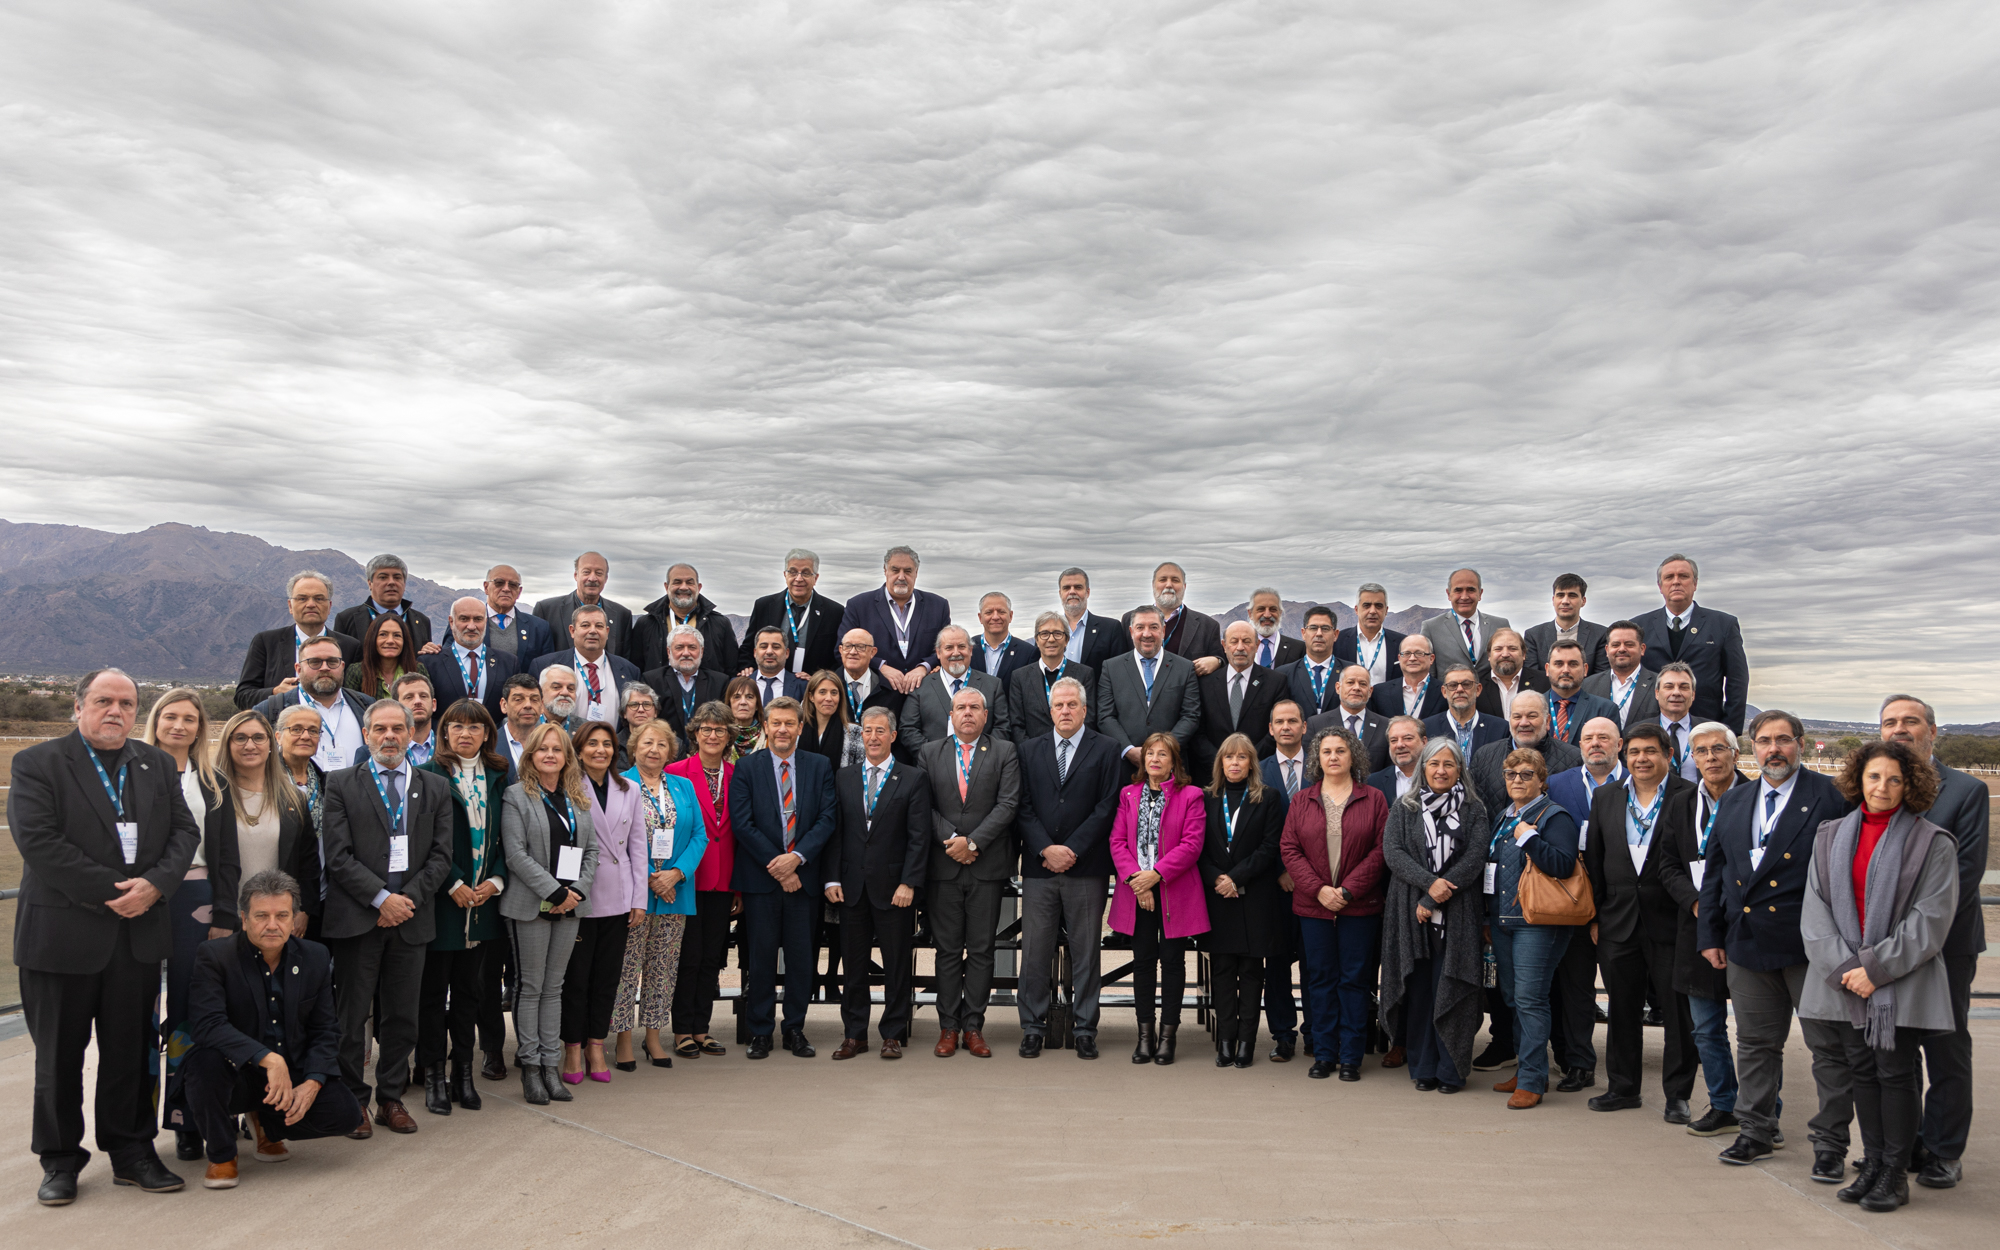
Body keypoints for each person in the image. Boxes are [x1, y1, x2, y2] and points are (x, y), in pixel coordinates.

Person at [12, 669, 201, 1204]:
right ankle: (60, 1160)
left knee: (128, 1052)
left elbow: (185, 832)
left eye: (126, 702)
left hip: (136, 938)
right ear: (78, 707)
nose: (115, 710)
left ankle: (131, 1151)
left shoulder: (156, 765)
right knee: (58, 1058)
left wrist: (155, 887)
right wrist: (116, 891)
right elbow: (39, 842)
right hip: (61, 937)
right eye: (103, 701)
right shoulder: (38, 763)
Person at [1799, 741, 1959, 1213]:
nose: (1883, 787)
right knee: (1862, 1073)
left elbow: (1930, 920)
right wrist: (1849, 971)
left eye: (1894, 779)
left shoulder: (1933, 842)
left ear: (1911, 784)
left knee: (1894, 1073)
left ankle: (1894, 1171)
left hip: (1899, 980)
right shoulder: (1829, 836)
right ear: (1858, 780)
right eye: (1874, 777)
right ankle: (1870, 1162)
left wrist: (1875, 970)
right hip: (1844, 981)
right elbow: (1815, 912)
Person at [1699, 710, 1854, 1172]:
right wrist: (1711, 933)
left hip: (1809, 947)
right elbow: (1716, 873)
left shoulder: (1829, 799)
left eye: (1783, 740)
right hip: (1747, 943)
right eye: (1764, 741)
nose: (1774, 750)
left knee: (1828, 1048)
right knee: (1755, 1045)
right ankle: (1755, 1131)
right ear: (1751, 747)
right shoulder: (1736, 799)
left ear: (1800, 744)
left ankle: (1830, 1144)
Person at [179, 869, 365, 1190]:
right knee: (202, 1064)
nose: (272, 925)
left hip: (288, 1074)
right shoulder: (215, 955)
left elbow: (325, 1029)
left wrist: (313, 1082)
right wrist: (268, 1058)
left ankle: (267, 1125)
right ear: (244, 918)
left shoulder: (315, 956)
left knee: (346, 1114)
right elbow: (208, 1025)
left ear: (294, 920)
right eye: (261, 915)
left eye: (282, 915)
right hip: (235, 1072)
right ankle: (222, 1153)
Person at [319, 698, 455, 1136]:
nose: (390, 736)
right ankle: (353, 1102)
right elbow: (337, 857)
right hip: (358, 918)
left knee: (402, 1015)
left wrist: (403, 902)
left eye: (399, 728)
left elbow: (441, 857)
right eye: (380, 729)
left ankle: (391, 1098)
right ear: (366, 734)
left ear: (412, 734)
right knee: (352, 1016)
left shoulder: (435, 786)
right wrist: (381, 900)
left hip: (411, 919)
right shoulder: (340, 784)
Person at [1879, 694, 1990, 1188]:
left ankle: (1944, 1149)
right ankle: (1903, 1146)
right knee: (1894, 1053)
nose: (1899, 728)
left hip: (1944, 945)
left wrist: (1906, 934)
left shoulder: (1965, 791)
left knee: (1945, 1048)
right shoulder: (1869, 789)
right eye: (1890, 722)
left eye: (1910, 721)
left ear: (1932, 731)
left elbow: (1960, 880)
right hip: (1881, 948)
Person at [1583, 723, 1698, 1118]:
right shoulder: (1605, 797)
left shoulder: (1689, 795)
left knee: (1678, 1013)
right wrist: (1596, 915)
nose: (1641, 759)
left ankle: (1677, 1095)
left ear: (1668, 755)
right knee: (1623, 1010)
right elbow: (1595, 861)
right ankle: (1623, 1088)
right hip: (1618, 922)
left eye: (1651, 751)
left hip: (1672, 922)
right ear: (1623, 755)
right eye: (1634, 752)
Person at [1014, 677, 1123, 1060]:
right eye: (1058, 705)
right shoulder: (1028, 750)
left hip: (1086, 867)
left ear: (1084, 709)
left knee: (1086, 951)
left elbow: (1108, 806)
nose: (1064, 711)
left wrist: (1072, 849)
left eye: (1071, 705)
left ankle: (1085, 1029)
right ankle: (1033, 1028)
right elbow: (1021, 805)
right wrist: (1046, 848)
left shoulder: (1107, 750)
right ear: (1050, 710)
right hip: (1040, 868)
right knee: (1035, 952)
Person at [1654, 720, 1753, 1137]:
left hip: (1748, 926)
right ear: (1689, 758)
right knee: (1705, 1027)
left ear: (1734, 753)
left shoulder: (1756, 798)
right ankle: (1724, 1104)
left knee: (1755, 1032)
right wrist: (1696, 902)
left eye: (1718, 749)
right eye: (1701, 751)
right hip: (1695, 926)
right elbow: (1667, 864)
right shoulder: (1680, 802)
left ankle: (1762, 1111)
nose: (1710, 758)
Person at [140, 687, 225, 1159]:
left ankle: (186, 1118)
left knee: (191, 1012)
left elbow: (224, 853)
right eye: (170, 716)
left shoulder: (212, 782)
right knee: (139, 1013)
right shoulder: (133, 772)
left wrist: (225, 912)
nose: (179, 725)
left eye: (189, 719)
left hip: (197, 898)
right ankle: (137, 1128)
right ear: (157, 721)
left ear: (200, 728)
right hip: (146, 897)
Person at [416, 699, 510, 1116]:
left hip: (485, 903)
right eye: (456, 726)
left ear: (487, 733)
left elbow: (514, 837)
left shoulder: (500, 777)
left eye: (474, 727)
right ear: (445, 732)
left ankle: (463, 1075)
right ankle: (434, 1074)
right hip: (444, 902)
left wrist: (497, 879)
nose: (465, 734)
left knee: (472, 994)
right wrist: (452, 881)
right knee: (434, 994)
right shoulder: (429, 775)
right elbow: (424, 840)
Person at [1380, 739, 1489, 1094]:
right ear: (1423, 768)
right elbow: (1393, 853)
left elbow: (1475, 857)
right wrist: (1429, 887)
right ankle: (1423, 1066)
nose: (1441, 770)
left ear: (1460, 769)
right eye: (1434, 764)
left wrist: (1438, 893)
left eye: (1449, 764)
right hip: (1411, 911)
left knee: (1452, 985)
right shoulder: (1405, 807)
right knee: (1419, 988)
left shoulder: (1474, 809)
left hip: (1458, 913)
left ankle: (1451, 1069)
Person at [1280, 726, 1389, 1081]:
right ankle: (1324, 1054)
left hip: (1359, 906)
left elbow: (1380, 851)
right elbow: (1290, 849)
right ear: (1317, 758)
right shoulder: (1302, 800)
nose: (1333, 757)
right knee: (1320, 980)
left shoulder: (1373, 799)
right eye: (1326, 751)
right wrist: (1319, 890)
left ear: (1352, 755)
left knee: (1355, 980)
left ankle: (1352, 1056)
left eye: (1340, 750)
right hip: (1313, 908)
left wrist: (1347, 890)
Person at [823, 708, 932, 1059]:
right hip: (851, 887)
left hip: (894, 890)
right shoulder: (844, 777)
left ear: (893, 736)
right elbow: (835, 833)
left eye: (880, 730)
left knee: (896, 965)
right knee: (853, 966)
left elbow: (919, 837)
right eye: (867, 730)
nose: (872, 737)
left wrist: (909, 882)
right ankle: (855, 1034)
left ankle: (893, 1034)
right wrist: (832, 878)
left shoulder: (912, 778)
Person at [917, 687, 1021, 1058]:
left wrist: (973, 843)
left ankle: (973, 1026)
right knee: (946, 950)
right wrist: (953, 840)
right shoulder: (930, 752)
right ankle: (948, 1027)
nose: (967, 713)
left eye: (974, 707)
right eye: (961, 707)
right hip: (943, 867)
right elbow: (922, 805)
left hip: (987, 867)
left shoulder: (1005, 751)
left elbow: (1008, 804)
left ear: (986, 714)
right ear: (950, 713)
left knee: (981, 950)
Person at [498, 723, 599, 1105]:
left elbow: (592, 853)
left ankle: (551, 1066)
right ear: (531, 755)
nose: (551, 756)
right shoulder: (515, 796)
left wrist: (575, 892)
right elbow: (515, 854)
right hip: (531, 906)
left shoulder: (579, 798)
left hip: (570, 906)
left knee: (554, 987)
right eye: (543, 750)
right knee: (531, 986)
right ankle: (531, 1067)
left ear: (566, 757)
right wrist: (554, 891)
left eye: (557, 750)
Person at [730, 697, 836, 1058]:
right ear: (766, 726)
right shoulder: (746, 767)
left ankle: (795, 1029)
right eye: (776, 723)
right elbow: (743, 824)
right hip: (761, 881)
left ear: (800, 728)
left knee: (801, 959)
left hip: (803, 880)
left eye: (790, 723)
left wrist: (796, 859)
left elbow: (827, 819)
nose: (782, 730)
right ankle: (760, 1031)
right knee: (759, 959)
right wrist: (778, 865)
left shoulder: (819, 766)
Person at [1484, 747, 1583, 1109]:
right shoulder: (1502, 817)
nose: (1517, 781)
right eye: (1511, 774)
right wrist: (1487, 920)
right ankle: (1526, 1069)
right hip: (1504, 922)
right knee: (1513, 999)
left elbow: (1562, 864)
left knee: (1530, 999)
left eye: (1526, 774)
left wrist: (1529, 838)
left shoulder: (1555, 817)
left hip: (1538, 923)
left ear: (1542, 780)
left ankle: (1532, 1080)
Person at [1109, 734, 1210, 1065]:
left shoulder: (1191, 796)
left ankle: (1168, 1037)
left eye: (1162, 754)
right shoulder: (1128, 794)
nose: (1154, 759)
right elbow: (1117, 841)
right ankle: (1145, 1035)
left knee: (1172, 963)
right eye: (1149, 753)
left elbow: (1192, 845)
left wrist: (1156, 875)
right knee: (1142, 962)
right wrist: (1140, 883)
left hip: (1175, 891)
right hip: (1136, 892)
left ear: (1174, 762)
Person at [614, 720, 707, 1069]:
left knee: (663, 968)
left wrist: (675, 873)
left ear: (672, 751)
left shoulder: (683, 786)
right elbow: (613, 838)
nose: (654, 750)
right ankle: (622, 1039)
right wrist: (649, 879)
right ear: (634, 747)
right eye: (647, 743)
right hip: (632, 895)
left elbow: (699, 836)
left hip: (675, 892)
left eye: (662, 744)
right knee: (627, 968)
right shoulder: (620, 785)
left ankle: (653, 1036)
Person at [559, 722, 647, 1086]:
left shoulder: (630, 789)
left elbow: (638, 846)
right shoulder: (567, 786)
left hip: (620, 896)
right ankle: (573, 1047)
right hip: (579, 894)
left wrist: (639, 898)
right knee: (577, 979)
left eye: (607, 744)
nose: (600, 750)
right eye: (592, 744)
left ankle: (598, 1045)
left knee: (607, 978)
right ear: (578, 750)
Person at [1544, 714, 1627, 1091]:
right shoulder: (1558, 785)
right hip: (1572, 901)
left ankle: (1625, 1072)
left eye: (1604, 738)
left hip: (1625, 905)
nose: (1596, 743)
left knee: (1624, 992)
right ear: (1579, 746)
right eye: (1588, 738)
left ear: (1619, 744)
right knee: (1576, 989)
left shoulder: (1636, 782)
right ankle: (1578, 1063)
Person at [1197, 733, 1288, 1068]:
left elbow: (1269, 847)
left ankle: (1247, 1042)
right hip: (1218, 897)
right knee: (1222, 970)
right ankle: (1226, 1040)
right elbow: (1197, 847)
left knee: (1251, 973)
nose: (1234, 763)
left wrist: (1236, 877)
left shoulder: (1268, 798)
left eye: (1241, 757)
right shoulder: (1206, 798)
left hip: (1255, 899)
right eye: (1228, 758)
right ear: (1220, 762)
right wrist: (1218, 879)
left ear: (1252, 762)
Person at [665, 702, 739, 1059]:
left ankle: (702, 1028)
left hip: (724, 880)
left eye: (720, 730)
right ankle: (681, 1030)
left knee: (713, 957)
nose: (712, 735)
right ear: (694, 733)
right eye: (706, 729)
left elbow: (736, 832)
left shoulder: (738, 773)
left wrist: (738, 886)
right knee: (688, 957)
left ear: (729, 737)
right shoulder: (675, 771)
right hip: (687, 877)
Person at [204, 711, 319, 941]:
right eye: (240, 738)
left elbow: (308, 862)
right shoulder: (210, 796)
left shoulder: (292, 799)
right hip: (221, 919)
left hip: (274, 922)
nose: (250, 745)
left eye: (258, 737)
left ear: (270, 743)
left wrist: (304, 910)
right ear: (227, 744)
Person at [1634, 553, 1748, 731]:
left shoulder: (1723, 625)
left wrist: (1730, 730)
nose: (1676, 582)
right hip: (1651, 726)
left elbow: (1737, 680)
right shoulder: (1639, 627)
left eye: (1683, 576)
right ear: (1660, 586)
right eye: (1669, 577)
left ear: (1695, 583)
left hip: (1707, 725)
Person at [1258, 698, 1314, 1061]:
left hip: (1315, 885)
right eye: (1280, 721)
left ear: (1304, 727)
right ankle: (1282, 1034)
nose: (1287, 727)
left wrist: (1306, 876)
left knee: (1314, 963)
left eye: (1293, 721)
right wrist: (1281, 870)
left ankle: (1315, 1032)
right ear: (1271, 729)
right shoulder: (1258, 771)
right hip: (1273, 885)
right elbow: (1258, 832)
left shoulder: (1324, 767)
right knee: (1276, 963)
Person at [235, 570, 361, 709]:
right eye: (302, 599)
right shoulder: (266, 642)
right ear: (290, 606)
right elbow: (242, 697)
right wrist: (275, 693)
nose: (311, 604)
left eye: (319, 599)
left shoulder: (350, 646)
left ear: (330, 606)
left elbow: (357, 698)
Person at [252, 635, 374, 773]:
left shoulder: (367, 706)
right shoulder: (269, 710)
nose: (324, 668)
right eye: (314, 662)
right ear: (298, 669)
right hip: (299, 793)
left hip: (356, 793)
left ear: (342, 666)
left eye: (332, 662)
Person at [1098, 605, 1202, 764]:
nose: (1147, 634)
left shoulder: (1185, 668)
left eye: (1154, 627)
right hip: (1126, 766)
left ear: (1163, 630)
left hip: (1172, 765)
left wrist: (1164, 751)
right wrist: (1128, 749)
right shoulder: (1111, 668)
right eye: (1140, 627)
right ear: (1132, 632)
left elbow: (1191, 715)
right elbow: (1105, 716)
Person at [842, 545, 951, 694]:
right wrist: (881, 667)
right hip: (877, 691)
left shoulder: (938, 606)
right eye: (895, 570)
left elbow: (946, 648)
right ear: (885, 571)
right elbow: (841, 650)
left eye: (907, 571)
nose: (901, 577)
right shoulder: (859, 605)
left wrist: (923, 667)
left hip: (923, 691)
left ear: (916, 573)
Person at [1191, 620, 1281, 777]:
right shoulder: (1205, 683)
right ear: (1224, 646)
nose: (1240, 647)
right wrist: (1221, 763)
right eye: (1234, 642)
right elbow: (1198, 732)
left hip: (1260, 774)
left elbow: (1275, 730)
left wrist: (1249, 763)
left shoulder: (1276, 682)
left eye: (1247, 641)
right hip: (1213, 775)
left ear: (1257, 644)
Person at [1472, 692, 1582, 819]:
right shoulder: (1484, 756)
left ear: (1547, 721)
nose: (1523, 723)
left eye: (1532, 716)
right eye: (1517, 717)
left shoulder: (1574, 760)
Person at [899, 624, 1007, 753]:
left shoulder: (993, 685)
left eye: (961, 647)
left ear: (971, 650)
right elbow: (908, 729)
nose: (956, 653)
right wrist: (933, 757)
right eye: (949, 648)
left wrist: (979, 757)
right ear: (938, 653)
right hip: (933, 769)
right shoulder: (920, 687)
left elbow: (1002, 727)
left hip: (982, 767)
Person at [531, 604, 643, 726]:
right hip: (563, 743)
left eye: (599, 626)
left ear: (607, 632)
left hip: (611, 744)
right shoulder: (544, 666)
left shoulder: (629, 670)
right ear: (572, 631)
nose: (593, 631)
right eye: (585, 625)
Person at [744, 548, 845, 676]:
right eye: (793, 572)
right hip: (770, 685)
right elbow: (748, 647)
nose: (799, 578)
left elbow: (838, 657)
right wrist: (747, 667)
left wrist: (819, 680)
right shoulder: (764, 606)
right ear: (785, 575)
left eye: (806, 573)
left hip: (812, 688)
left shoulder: (834, 612)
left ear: (816, 578)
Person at [422, 595, 522, 725]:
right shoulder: (430, 663)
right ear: (451, 622)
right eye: (464, 619)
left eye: (478, 619)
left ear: (486, 622)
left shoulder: (508, 663)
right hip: (445, 741)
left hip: (493, 742)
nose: (471, 626)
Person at [629, 563, 740, 676]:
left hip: (707, 693)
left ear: (699, 587)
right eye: (677, 582)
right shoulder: (646, 624)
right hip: (657, 692)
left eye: (689, 582)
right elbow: (636, 669)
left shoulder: (720, 624)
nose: (683, 587)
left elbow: (731, 669)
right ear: (666, 587)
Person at [1009, 611, 1098, 743]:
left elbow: (1089, 719)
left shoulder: (1084, 674)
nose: (1051, 639)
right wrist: (1030, 752)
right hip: (1033, 754)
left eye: (1057, 633)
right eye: (1044, 634)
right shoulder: (1020, 677)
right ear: (1037, 641)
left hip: (1074, 752)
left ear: (1067, 640)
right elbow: (1017, 724)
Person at [1121, 561, 1224, 672]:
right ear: (1153, 585)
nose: (1169, 585)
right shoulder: (1129, 620)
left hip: (1188, 689)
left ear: (1184, 586)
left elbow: (1223, 665)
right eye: (1163, 580)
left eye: (1175, 580)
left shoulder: (1208, 626)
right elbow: (1119, 663)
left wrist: (1217, 661)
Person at [533, 551, 634, 658]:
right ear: (576, 575)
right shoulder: (547, 610)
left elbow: (625, 662)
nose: (592, 578)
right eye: (586, 572)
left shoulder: (622, 615)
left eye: (599, 573)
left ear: (606, 579)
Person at [332, 554, 436, 653]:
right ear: (370, 583)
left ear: (404, 584)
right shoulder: (347, 619)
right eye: (383, 577)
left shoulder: (421, 621)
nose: (391, 582)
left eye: (397, 577)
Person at [1421, 568, 1510, 680]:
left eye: (1471, 590)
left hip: (1493, 696)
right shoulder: (1431, 628)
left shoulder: (1500, 625)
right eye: (1458, 590)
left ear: (1480, 593)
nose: (1464, 597)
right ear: (1449, 594)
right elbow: (1429, 675)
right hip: (1450, 696)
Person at [645, 625, 727, 738]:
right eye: (679, 647)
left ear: (701, 651)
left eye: (692, 647)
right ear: (669, 652)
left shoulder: (720, 682)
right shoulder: (652, 681)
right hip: (667, 750)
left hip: (705, 750)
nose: (686, 653)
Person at [1305, 664, 1390, 772]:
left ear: (1370, 691)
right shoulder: (1316, 724)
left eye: (1363, 684)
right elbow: (1311, 766)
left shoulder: (1385, 725)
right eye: (1350, 682)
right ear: (1338, 688)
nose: (1356, 688)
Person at [1524, 573, 1610, 675]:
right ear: (1553, 600)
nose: (1565, 601)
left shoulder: (1600, 634)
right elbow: (1533, 676)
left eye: (1572, 596)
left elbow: (1600, 678)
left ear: (1583, 601)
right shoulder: (1534, 636)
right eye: (1560, 595)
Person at [1423, 666, 1509, 765]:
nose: (1459, 689)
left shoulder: (1500, 728)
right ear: (1444, 692)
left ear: (1478, 689)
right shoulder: (1427, 728)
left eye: (1466, 684)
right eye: (1452, 685)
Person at [1581, 620, 1659, 729]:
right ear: (1607, 650)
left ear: (1642, 649)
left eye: (1629, 644)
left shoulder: (1659, 684)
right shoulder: (1587, 686)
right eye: (1616, 644)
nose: (1622, 649)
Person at [1543, 641, 1619, 747]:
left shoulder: (1604, 709)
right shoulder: (1532, 707)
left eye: (1573, 664)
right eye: (1559, 664)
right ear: (1547, 669)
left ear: (1585, 669)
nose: (1565, 670)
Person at [1057, 566, 1130, 669]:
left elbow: (1119, 671)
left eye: (1078, 587)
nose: (1072, 592)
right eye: (1066, 588)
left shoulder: (1110, 629)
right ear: (1060, 593)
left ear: (1087, 592)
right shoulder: (1048, 630)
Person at [482, 564, 556, 665]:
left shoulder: (539, 628)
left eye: (513, 585)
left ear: (519, 591)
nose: (506, 589)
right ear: (486, 587)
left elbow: (547, 669)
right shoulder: (466, 624)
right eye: (499, 583)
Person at [1280, 604, 1344, 719]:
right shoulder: (1284, 674)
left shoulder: (1349, 673)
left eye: (1325, 628)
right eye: (1313, 628)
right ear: (1303, 633)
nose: (1319, 633)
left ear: (1335, 635)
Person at [1334, 583, 1403, 686]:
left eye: (1378, 606)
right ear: (1356, 610)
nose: (1372, 611)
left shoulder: (1401, 643)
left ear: (1386, 611)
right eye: (1366, 606)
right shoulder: (1337, 642)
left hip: (1388, 702)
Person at [800, 669, 866, 770]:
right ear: (811, 696)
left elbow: (858, 774)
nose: (829, 698)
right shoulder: (797, 730)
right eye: (822, 692)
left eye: (834, 693)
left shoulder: (855, 733)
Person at [1473, 629, 1548, 718]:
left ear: (1523, 654)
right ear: (1489, 655)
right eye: (1498, 649)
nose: (1505, 654)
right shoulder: (1475, 685)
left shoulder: (1545, 682)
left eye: (1512, 649)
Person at [1369, 635, 1444, 720]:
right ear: (1399, 658)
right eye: (1406, 654)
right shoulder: (1379, 693)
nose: (1412, 658)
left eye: (1419, 653)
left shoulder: (1445, 692)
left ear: (1431, 658)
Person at [344, 614, 419, 699]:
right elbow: (353, 708)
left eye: (397, 635)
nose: (390, 641)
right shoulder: (357, 672)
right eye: (383, 634)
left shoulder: (417, 670)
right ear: (372, 639)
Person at [974, 591, 1037, 683]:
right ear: (980, 618)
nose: (995, 617)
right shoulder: (967, 649)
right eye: (989, 612)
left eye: (1001, 612)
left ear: (1010, 616)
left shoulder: (1028, 653)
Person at [1653, 662, 1701, 781]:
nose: (1676, 693)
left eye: (1684, 687)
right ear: (1657, 693)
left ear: (1693, 695)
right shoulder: (1637, 732)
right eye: (1669, 687)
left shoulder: (1712, 732)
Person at [1368, 715, 1427, 807]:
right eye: (1394, 740)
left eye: (1408, 738)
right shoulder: (1373, 782)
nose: (1399, 745)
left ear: (1424, 742)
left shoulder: (1437, 777)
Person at [744, 625, 810, 706]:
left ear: (787, 653)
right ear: (755, 652)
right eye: (763, 646)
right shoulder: (739, 684)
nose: (769, 651)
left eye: (776, 647)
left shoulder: (803, 686)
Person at [1247, 587, 1305, 669]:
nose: (1267, 615)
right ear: (1250, 614)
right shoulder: (1238, 648)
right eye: (1261, 609)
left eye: (1273, 609)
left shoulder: (1299, 649)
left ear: (1280, 613)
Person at [393, 674, 439, 768]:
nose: (418, 701)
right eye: (409, 697)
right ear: (396, 707)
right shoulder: (380, 751)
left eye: (423, 696)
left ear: (433, 704)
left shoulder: (451, 748)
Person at [497, 673, 543, 769]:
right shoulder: (489, 745)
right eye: (518, 699)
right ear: (504, 705)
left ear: (542, 706)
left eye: (534, 699)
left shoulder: (552, 744)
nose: (528, 705)